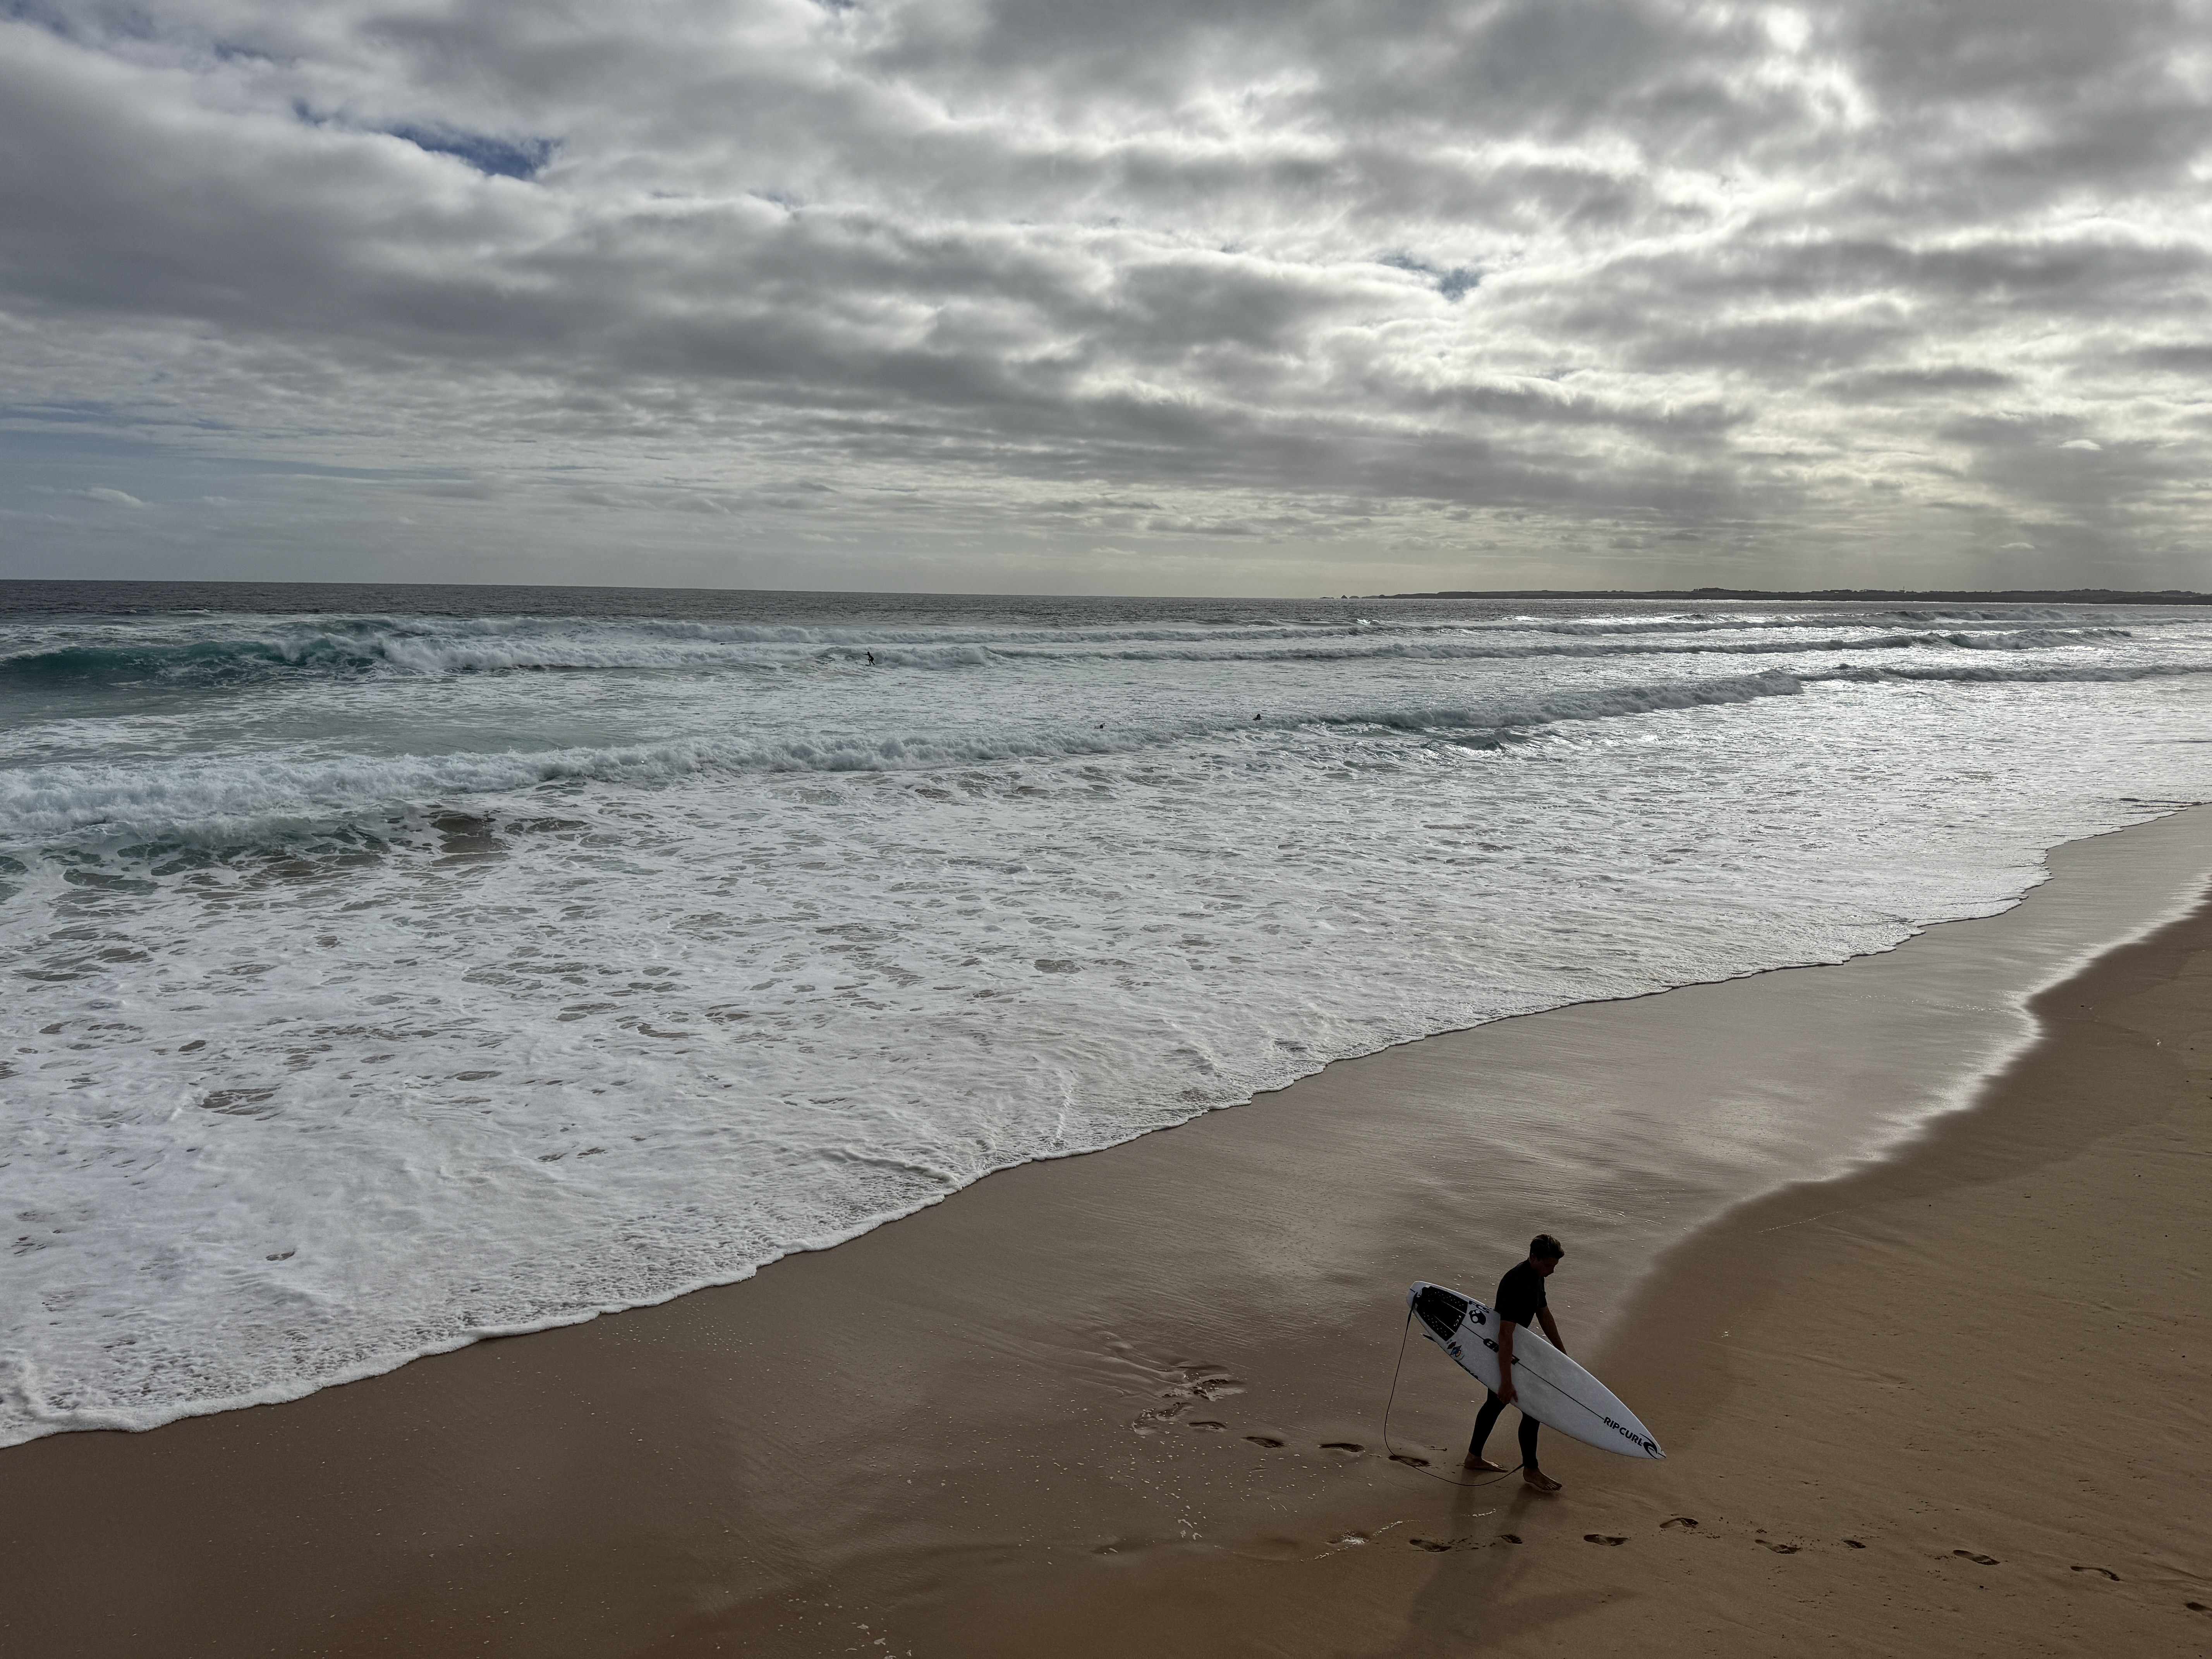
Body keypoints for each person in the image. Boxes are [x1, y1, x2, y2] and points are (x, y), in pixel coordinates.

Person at [1463, 1234, 1567, 1493]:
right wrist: (1506, 1380)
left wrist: (1561, 1352)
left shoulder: (1537, 1276)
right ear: (1533, 1258)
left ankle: (1474, 1458)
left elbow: (1543, 1312)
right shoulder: (1516, 1282)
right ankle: (1530, 1470)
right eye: (1548, 1266)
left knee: (1497, 1404)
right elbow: (1505, 1334)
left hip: (1517, 1349)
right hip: (1503, 1350)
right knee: (1529, 1409)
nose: (1552, 1272)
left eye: (1555, 1267)